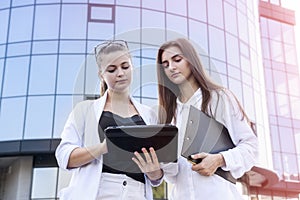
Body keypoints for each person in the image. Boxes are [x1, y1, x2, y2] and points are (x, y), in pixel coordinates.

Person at [55, 40, 165, 200]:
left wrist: (154, 172)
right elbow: (64, 156)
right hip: (99, 191)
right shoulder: (84, 110)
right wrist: (104, 147)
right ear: (101, 75)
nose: (120, 73)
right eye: (112, 69)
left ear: (132, 66)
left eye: (125, 66)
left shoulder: (149, 115)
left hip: (137, 193)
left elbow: (156, 178)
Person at [155, 38, 258, 199]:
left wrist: (219, 159)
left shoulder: (219, 98)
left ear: (191, 60)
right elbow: (172, 175)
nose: (171, 67)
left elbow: (251, 148)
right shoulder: (169, 115)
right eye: (165, 64)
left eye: (177, 60)